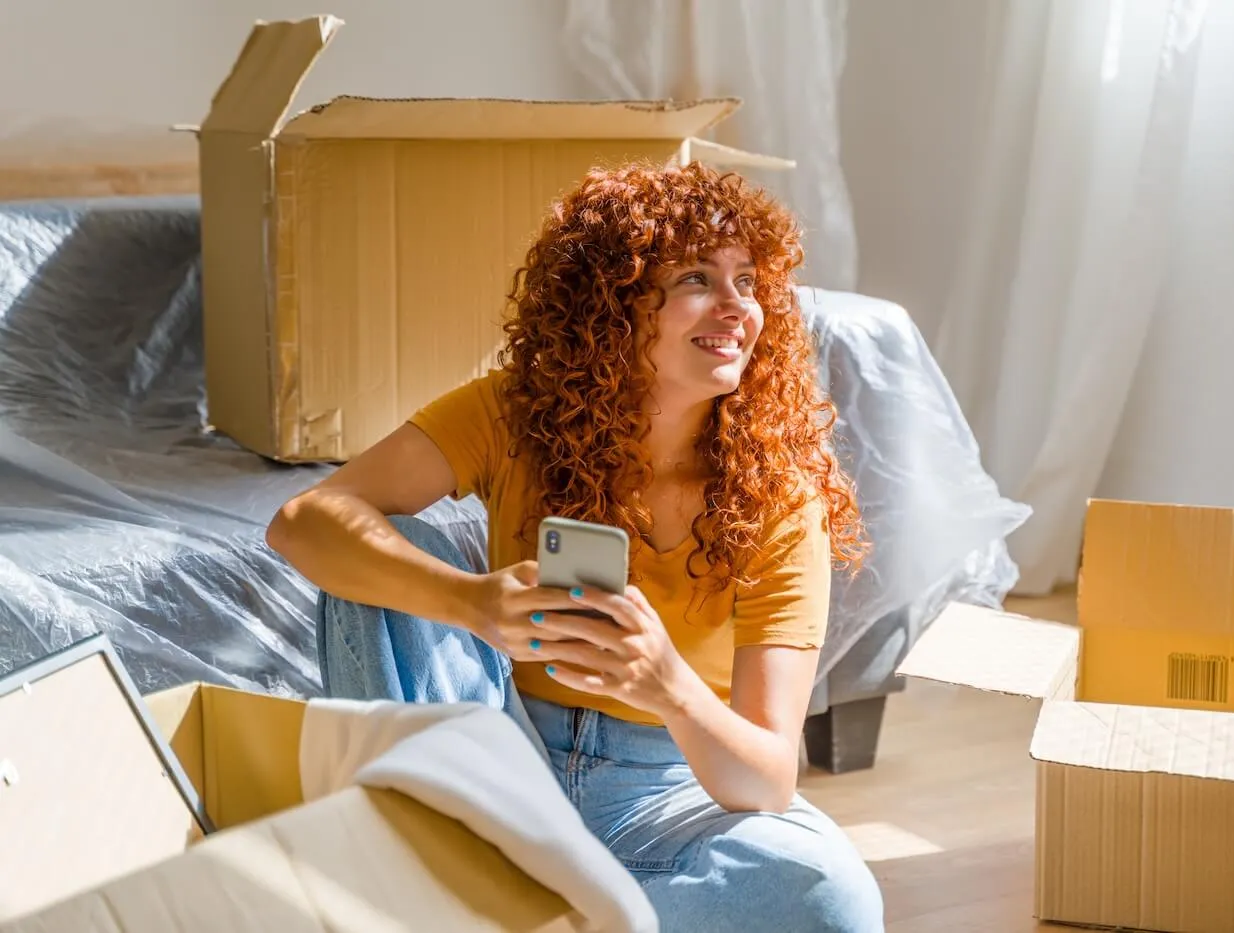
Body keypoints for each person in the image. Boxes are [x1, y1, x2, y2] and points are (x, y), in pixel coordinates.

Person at [266, 160, 885, 932]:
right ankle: (504, 888)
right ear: (610, 303)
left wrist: (668, 686)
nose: (737, 308)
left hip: (666, 793)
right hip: (496, 756)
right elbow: (304, 519)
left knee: (831, 896)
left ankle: (501, 906)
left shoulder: (780, 497)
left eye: (750, 282)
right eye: (697, 276)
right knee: (380, 550)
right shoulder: (511, 411)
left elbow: (765, 778)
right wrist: (473, 604)